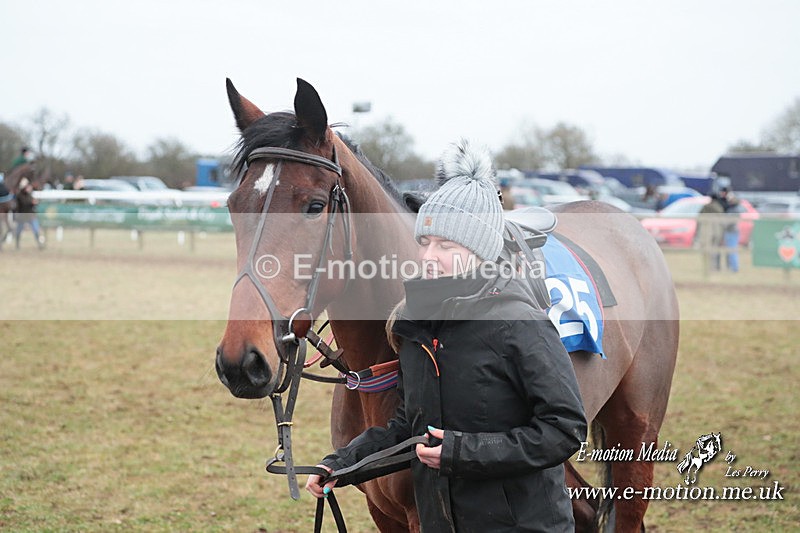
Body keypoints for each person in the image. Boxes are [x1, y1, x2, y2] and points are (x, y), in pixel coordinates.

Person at [306, 140, 587, 531]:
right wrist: (342, 465)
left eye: (446, 245)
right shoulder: (414, 325)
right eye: (425, 242)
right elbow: (407, 426)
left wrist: (462, 452)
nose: (428, 257)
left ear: (480, 251)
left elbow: (563, 429)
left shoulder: (521, 324)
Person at [14, 178, 44, 250]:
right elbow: (24, 203)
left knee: (36, 230)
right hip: (22, 215)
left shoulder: (29, 194)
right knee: (18, 231)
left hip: (31, 215)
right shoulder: (19, 196)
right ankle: (17, 245)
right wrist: (32, 202)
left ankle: (39, 244)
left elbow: (34, 203)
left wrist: (35, 202)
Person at [698, 192, 725, 270]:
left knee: (707, 250)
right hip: (717, 231)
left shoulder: (706, 207)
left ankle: (708, 266)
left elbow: (699, 217)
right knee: (715, 250)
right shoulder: (719, 207)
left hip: (706, 231)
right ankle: (715, 266)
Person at [719, 187, 741, 273]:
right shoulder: (731, 208)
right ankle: (731, 267)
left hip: (731, 230)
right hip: (730, 231)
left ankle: (734, 268)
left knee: (732, 250)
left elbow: (730, 222)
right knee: (730, 250)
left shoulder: (733, 209)